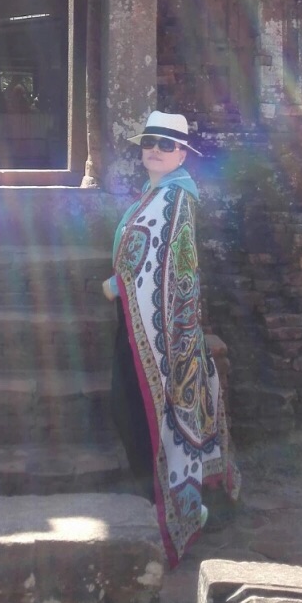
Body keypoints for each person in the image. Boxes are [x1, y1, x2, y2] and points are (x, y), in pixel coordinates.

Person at [102, 110, 240, 567]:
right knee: (133, 407)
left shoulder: (175, 198)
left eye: (166, 145)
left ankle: (162, 504)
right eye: (149, 143)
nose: (155, 151)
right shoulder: (158, 193)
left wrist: (117, 285)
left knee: (138, 409)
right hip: (143, 322)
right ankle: (159, 496)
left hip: (159, 331)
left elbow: (158, 262)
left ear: (182, 154)